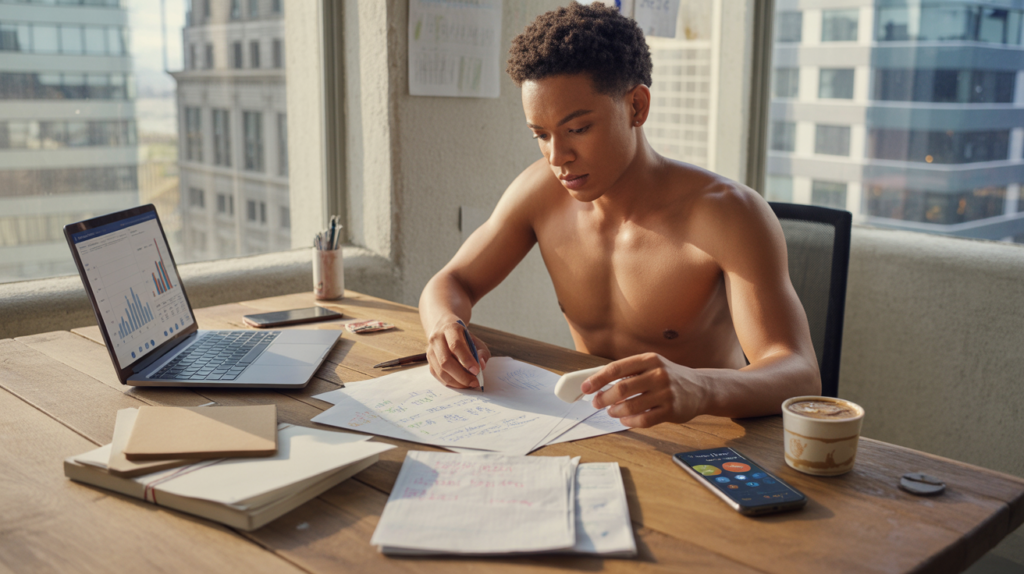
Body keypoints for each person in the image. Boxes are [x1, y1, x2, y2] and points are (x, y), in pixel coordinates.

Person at [418, 2, 820, 428]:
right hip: (591, 429)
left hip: (706, 435)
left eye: (577, 129)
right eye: (541, 134)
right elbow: (450, 281)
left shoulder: (728, 214)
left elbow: (797, 371)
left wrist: (701, 387)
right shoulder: (541, 192)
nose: (558, 157)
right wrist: (444, 326)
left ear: (636, 107)